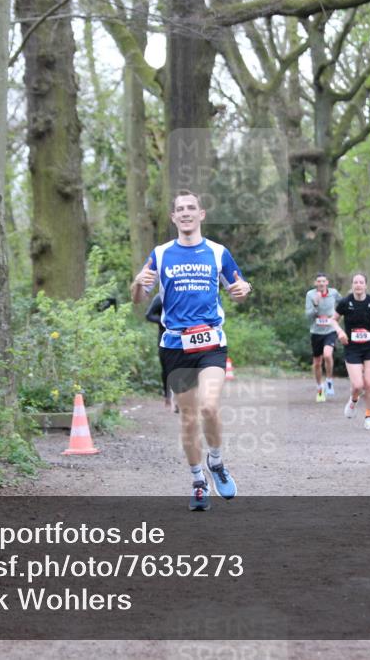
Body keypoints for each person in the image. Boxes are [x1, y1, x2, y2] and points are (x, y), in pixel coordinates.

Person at [131, 190, 252, 510]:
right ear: (173, 217)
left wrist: (244, 289)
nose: (185, 213)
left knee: (209, 407)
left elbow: (239, 287)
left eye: (191, 208)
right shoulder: (159, 254)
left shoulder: (217, 252)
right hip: (175, 344)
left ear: (201, 214)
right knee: (187, 419)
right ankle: (198, 481)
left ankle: (216, 462)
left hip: (211, 341)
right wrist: (136, 283)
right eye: (179, 209)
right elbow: (138, 297)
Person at [332, 273, 370, 430]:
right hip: (352, 347)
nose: (358, 285)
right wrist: (340, 332)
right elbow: (332, 320)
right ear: (352, 285)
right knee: (358, 385)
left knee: (369, 383)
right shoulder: (345, 302)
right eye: (355, 282)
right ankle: (353, 401)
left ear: (366, 285)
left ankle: (369, 417)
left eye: (361, 282)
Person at [304, 272, 342, 402]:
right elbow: (308, 316)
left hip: (330, 330)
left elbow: (343, 305)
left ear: (327, 283)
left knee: (327, 355)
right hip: (316, 332)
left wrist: (337, 318)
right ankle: (320, 388)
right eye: (318, 281)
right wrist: (315, 304)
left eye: (323, 281)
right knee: (317, 363)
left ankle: (329, 380)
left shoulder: (334, 293)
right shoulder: (310, 295)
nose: (321, 283)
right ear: (315, 283)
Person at [143, 294, 175, 411]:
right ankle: (167, 396)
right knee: (166, 369)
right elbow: (148, 315)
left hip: (183, 338)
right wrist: (164, 321)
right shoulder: (160, 297)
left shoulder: (183, 293)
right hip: (165, 339)